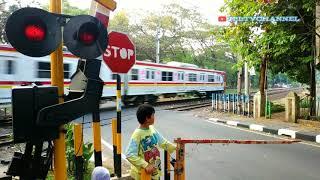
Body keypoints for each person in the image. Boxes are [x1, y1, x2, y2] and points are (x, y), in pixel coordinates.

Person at [125, 104, 176, 180]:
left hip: (154, 172)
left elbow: (162, 142)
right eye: (153, 115)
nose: (154, 117)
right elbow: (129, 154)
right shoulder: (137, 134)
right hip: (142, 175)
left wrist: (176, 148)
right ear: (147, 118)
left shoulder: (152, 129)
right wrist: (145, 165)